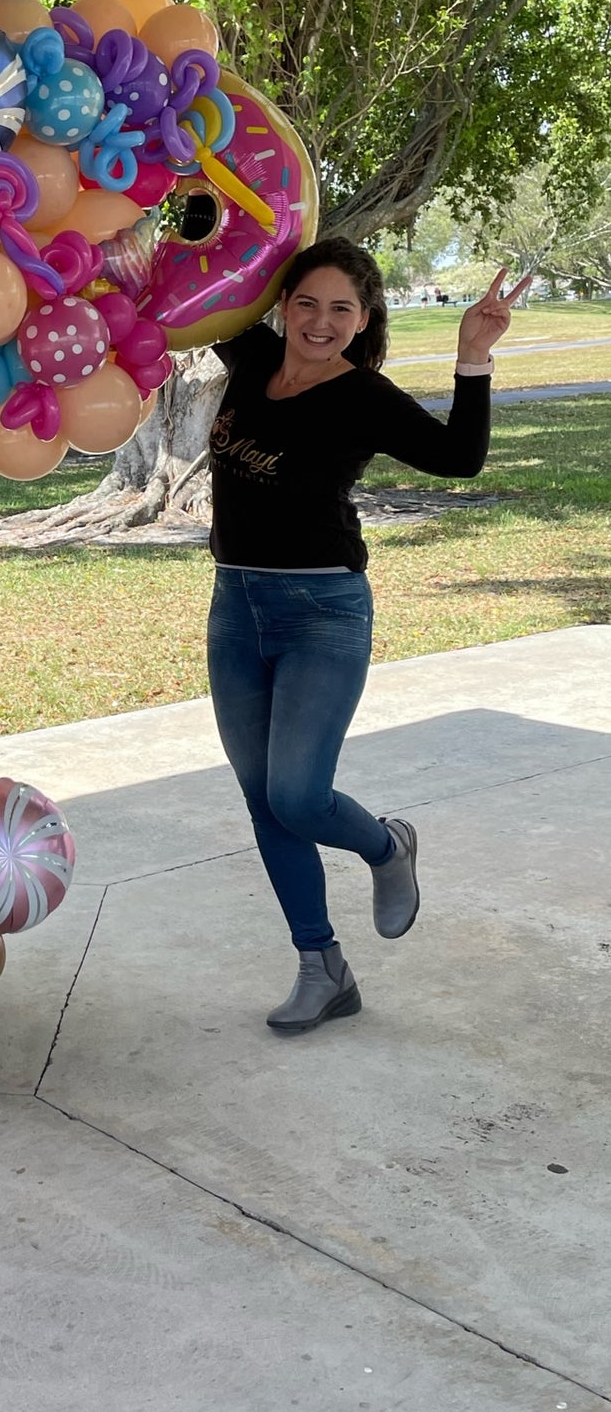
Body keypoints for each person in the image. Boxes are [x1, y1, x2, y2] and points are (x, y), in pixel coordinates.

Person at [207, 241, 532, 1032]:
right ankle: (321, 966)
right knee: (264, 804)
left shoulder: (362, 396)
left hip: (322, 609)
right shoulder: (250, 358)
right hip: (234, 606)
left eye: (340, 309)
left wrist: (471, 356)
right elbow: (199, 280)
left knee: (298, 795)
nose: (320, 322)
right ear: (283, 304)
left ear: (362, 320)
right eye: (307, 303)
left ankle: (387, 848)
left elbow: (459, 459)